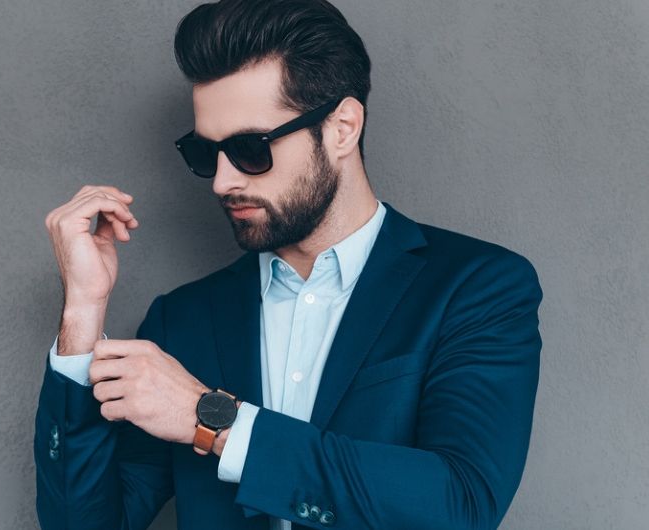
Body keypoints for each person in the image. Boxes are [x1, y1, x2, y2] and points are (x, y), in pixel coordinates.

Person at [34, 0, 543, 528]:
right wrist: (82, 315)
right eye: (206, 154)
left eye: (251, 148)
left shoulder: (477, 288)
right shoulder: (182, 320)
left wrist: (212, 419)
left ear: (342, 127)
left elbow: (459, 505)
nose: (223, 181)